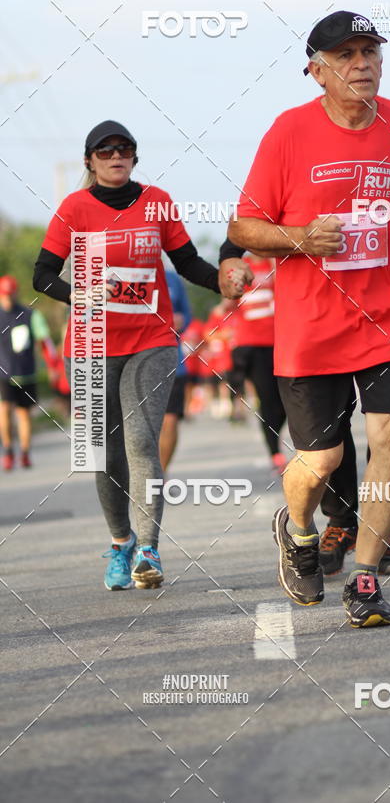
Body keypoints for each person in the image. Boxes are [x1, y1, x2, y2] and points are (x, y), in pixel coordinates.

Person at [228, 10, 390, 627]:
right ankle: (297, 529)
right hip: (312, 328)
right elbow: (242, 228)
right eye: (347, 55)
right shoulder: (288, 133)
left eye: (370, 51)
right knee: (321, 462)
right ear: (316, 71)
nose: (362, 64)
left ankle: (365, 576)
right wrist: (299, 239)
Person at [33, 120, 239, 591]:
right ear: (90, 161)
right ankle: (120, 541)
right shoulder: (74, 207)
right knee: (102, 454)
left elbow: (186, 261)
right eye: (104, 151)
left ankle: (149, 550)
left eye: (123, 148)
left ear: (134, 156)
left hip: (152, 338)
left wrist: (222, 283)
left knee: (142, 441)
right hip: (90, 343)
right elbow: (42, 276)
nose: (115, 156)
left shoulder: (157, 202)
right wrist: (83, 295)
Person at [227, 254, 288, 472]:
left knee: (288, 401)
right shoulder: (241, 266)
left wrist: (274, 264)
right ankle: (275, 453)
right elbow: (227, 300)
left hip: (282, 341)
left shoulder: (277, 263)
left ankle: (277, 437)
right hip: (252, 344)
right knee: (268, 400)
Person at [0, 275, 59, 470]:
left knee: (24, 414)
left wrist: (52, 367)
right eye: (4, 295)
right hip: (4, 374)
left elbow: (45, 342)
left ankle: (24, 452)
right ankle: (8, 451)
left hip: (26, 372)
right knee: (5, 410)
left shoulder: (30, 315)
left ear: (15, 293)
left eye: (10, 294)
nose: (8, 298)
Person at [159, 268, 192, 472]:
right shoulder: (118, 274)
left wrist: (181, 321)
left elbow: (186, 315)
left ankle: (159, 473)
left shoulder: (172, 278)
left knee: (170, 421)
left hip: (173, 362)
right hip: (134, 364)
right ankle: (143, 470)